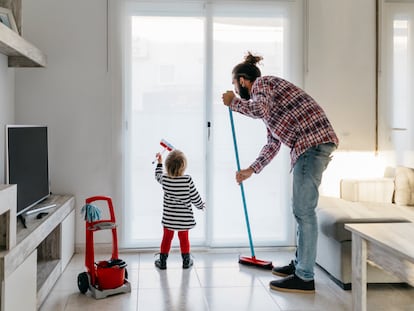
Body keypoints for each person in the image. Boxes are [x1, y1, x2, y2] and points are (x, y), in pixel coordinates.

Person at [222, 52, 338, 293]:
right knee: (300, 210)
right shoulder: (270, 103)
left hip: (311, 144)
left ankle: (304, 277)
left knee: (303, 211)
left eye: (235, 84)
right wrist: (250, 171)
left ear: (243, 80)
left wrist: (233, 102)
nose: (235, 88)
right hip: (309, 145)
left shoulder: (263, 84)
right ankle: (300, 266)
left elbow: (257, 109)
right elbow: (272, 144)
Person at [154, 149, 205, 270]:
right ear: (183, 167)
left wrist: (159, 163)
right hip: (184, 219)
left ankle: (163, 262)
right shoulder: (187, 180)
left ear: (167, 166)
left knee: (166, 238)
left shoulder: (165, 179)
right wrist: (200, 205)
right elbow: (194, 196)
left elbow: (157, 176)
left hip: (169, 219)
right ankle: (186, 261)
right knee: (184, 239)